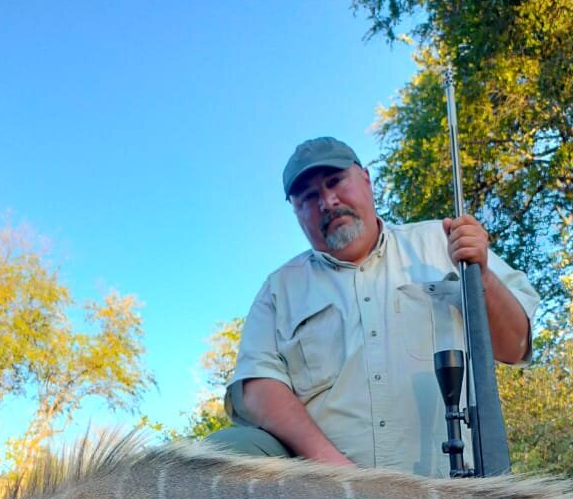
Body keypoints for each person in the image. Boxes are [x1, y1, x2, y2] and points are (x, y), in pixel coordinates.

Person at [206, 137, 540, 476]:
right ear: (296, 212)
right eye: (309, 197)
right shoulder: (279, 288)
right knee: (224, 453)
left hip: (448, 494)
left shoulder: (442, 241)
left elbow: (516, 345)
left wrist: (480, 274)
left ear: (366, 179)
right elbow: (257, 386)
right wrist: (340, 473)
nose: (327, 201)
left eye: (335, 181)